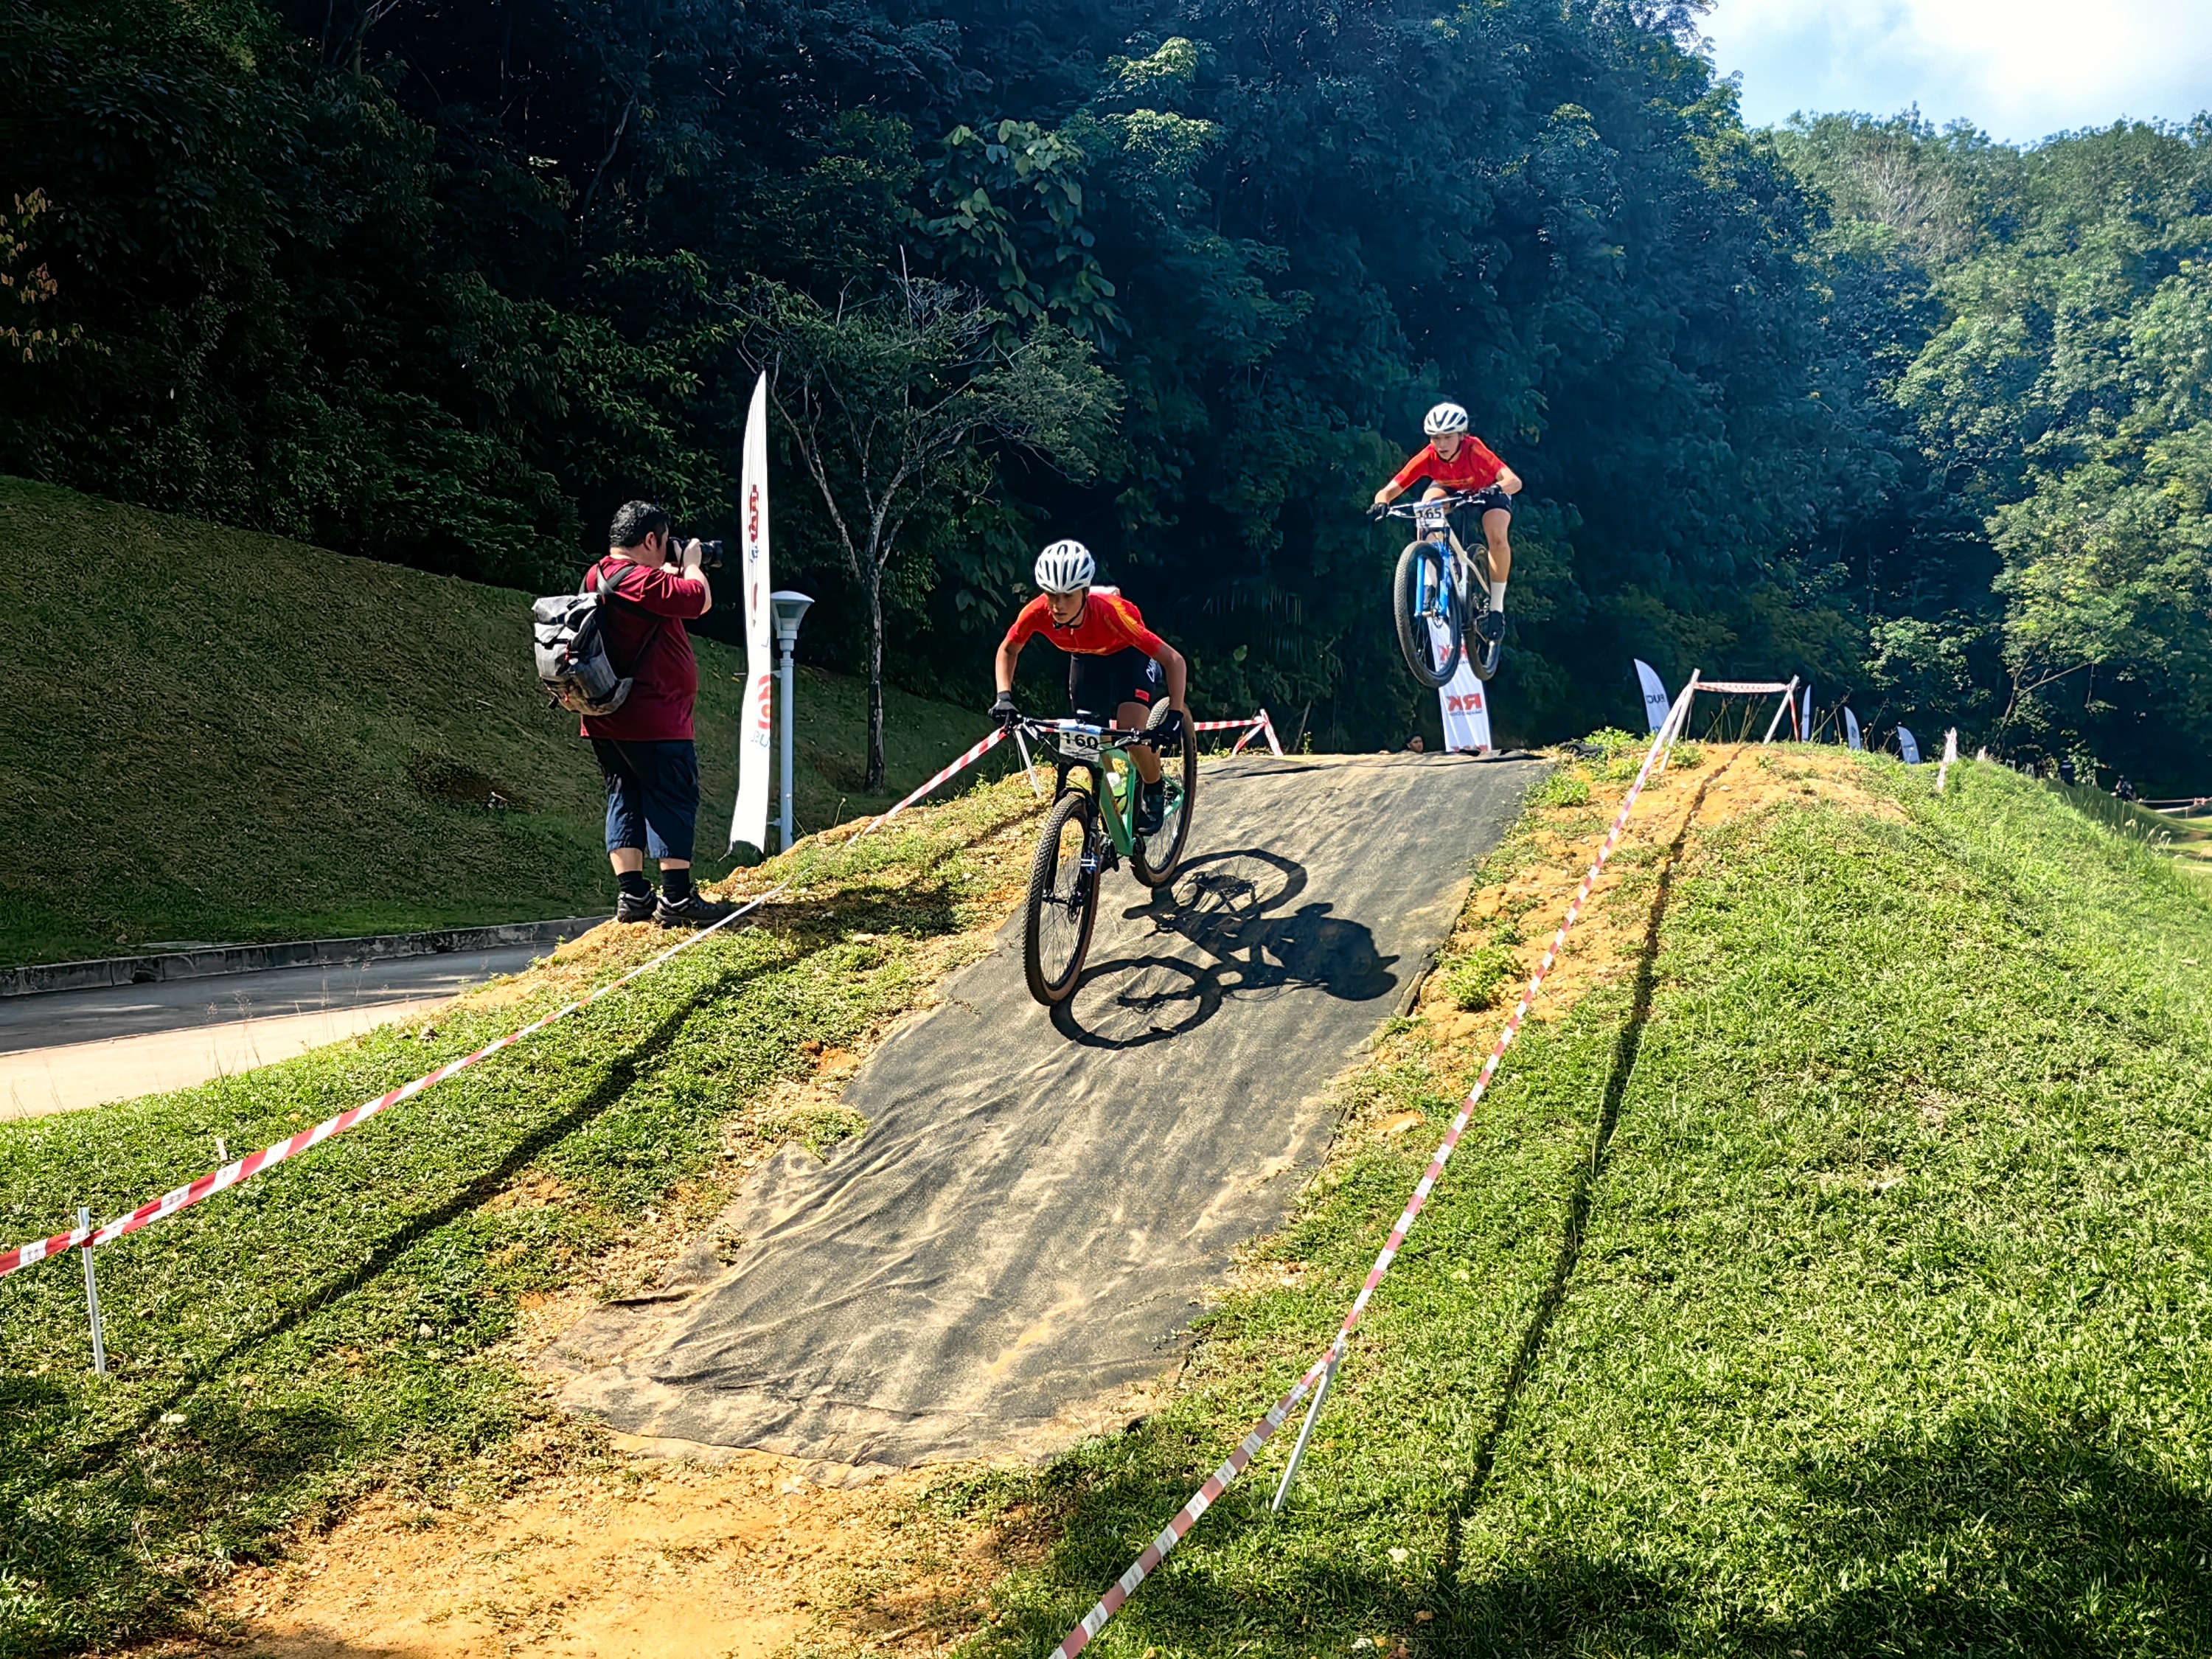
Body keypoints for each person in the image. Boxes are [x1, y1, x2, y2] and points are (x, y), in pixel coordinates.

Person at [580, 501, 734, 928]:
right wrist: (692, 564)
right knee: (672, 795)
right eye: (665, 542)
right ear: (650, 539)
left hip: (606, 716)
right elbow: (698, 599)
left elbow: (642, 604)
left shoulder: (598, 575)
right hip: (654, 714)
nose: (669, 550)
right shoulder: (645, 582)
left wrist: (669, 570)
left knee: (624, 794)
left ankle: (633, 896)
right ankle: (679, 899)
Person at [990, 540, 1190, 834]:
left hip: (1128, 656)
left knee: (1132, 733)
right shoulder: (1037, 612)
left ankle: (1155, 785)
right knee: (1091, 739)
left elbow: (1174, 661)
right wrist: (1004, 697)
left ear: (1085, 591)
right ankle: (1117, 805)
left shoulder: (1113, 613)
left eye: (1066, 596)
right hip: (1087, 658)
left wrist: (1174, 716)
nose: (1056, 605)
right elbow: (1008, 650)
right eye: (1050, 594)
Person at [1370, 401, 1523, 671]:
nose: (1441, 444)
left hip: (1488, 490)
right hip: (1450, 488)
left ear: (1462, 435)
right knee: (1427, 507)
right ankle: (1431, 579)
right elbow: (1392, 487)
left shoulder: (1474, 450)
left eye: (1447, 437)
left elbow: (1514, 481)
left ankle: (1496, 607)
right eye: (1435, 438)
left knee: (1497, 536)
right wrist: (1382, 501)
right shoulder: (1429, 456)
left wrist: (1495, 488)